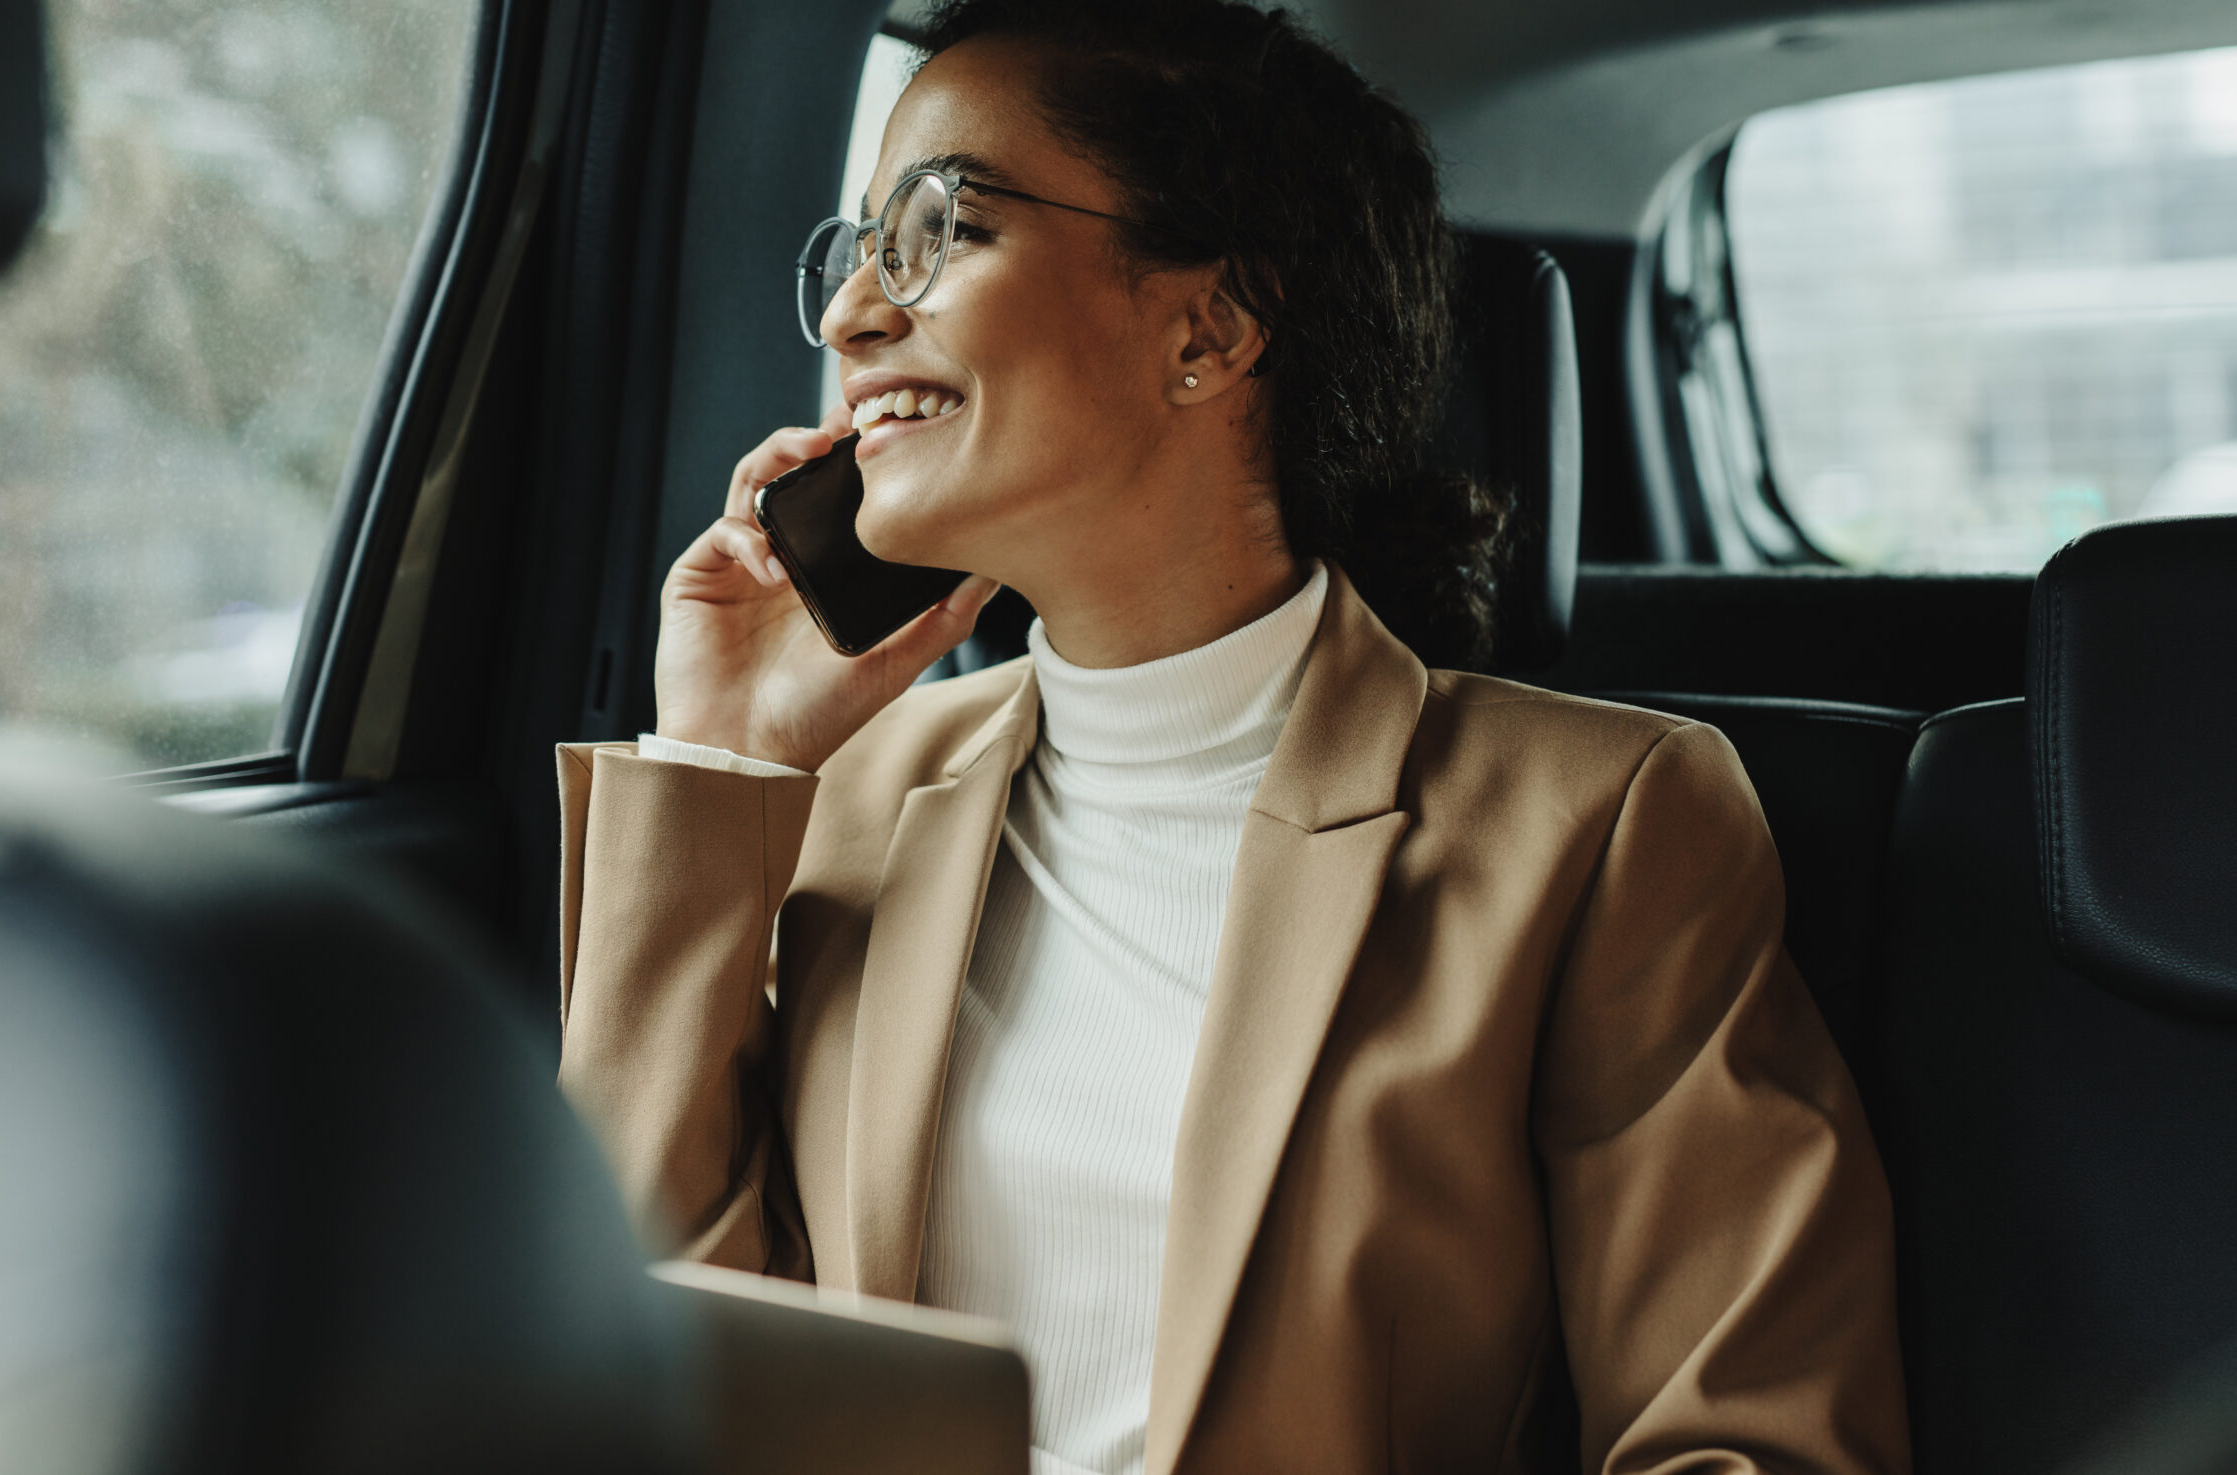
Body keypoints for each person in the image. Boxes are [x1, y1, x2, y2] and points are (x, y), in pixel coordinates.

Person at [555, 1, 1909, 1471]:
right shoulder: (855, 793)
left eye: (938, 227)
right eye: (856, 247)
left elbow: (1749, 1445)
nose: (850, 315)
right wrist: (716, 763)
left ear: (1209, 325)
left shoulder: (1603, 822)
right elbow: (625, 1354)